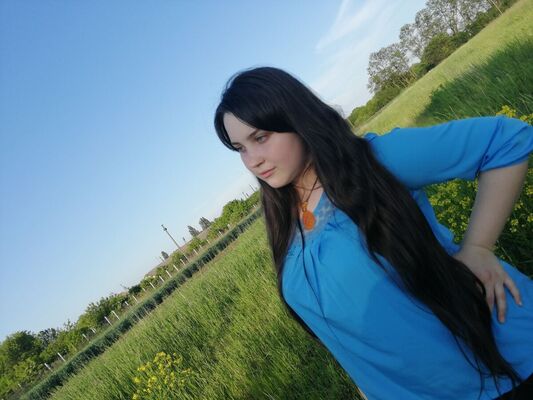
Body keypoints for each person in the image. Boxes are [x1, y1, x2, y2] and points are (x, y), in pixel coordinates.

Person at [213, 66, 533, 400]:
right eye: (240, 148)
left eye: (260, 138)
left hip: (500, 366)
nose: (252, 161)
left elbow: (505, 139)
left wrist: (478, 246)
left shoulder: (371, 163)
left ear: (297, 120)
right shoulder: (284, 222)